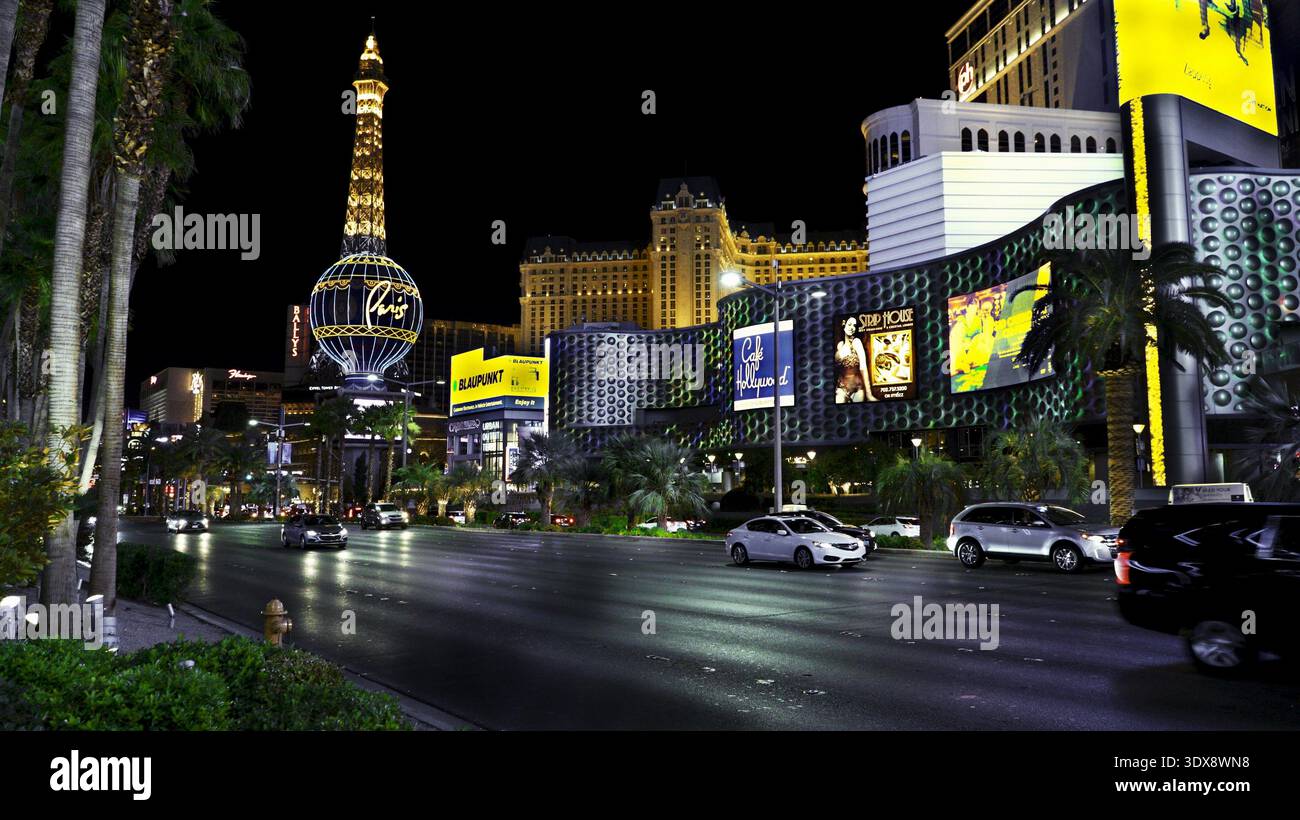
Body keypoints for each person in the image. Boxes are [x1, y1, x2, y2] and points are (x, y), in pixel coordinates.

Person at [834, 315, 872, 403]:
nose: (852, 328)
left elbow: (863, 367)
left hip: (857, 388)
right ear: (844, 326)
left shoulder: (856, 342)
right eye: (849, 324)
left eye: (854, 326)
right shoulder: (840, 345)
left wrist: (869, 394)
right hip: (841, 387)